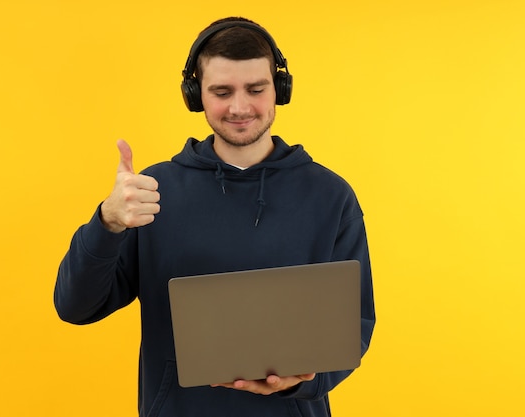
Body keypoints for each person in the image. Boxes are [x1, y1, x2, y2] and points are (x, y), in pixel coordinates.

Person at [54, 16, 375, 417]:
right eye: (221, 92)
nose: (239, 107)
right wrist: (108, 223)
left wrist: (308, 379)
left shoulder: (331, 196)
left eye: (255, 89)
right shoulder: (151, 193)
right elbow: (75, 307)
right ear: (196, 95)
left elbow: (355, 324)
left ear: (280, 90)